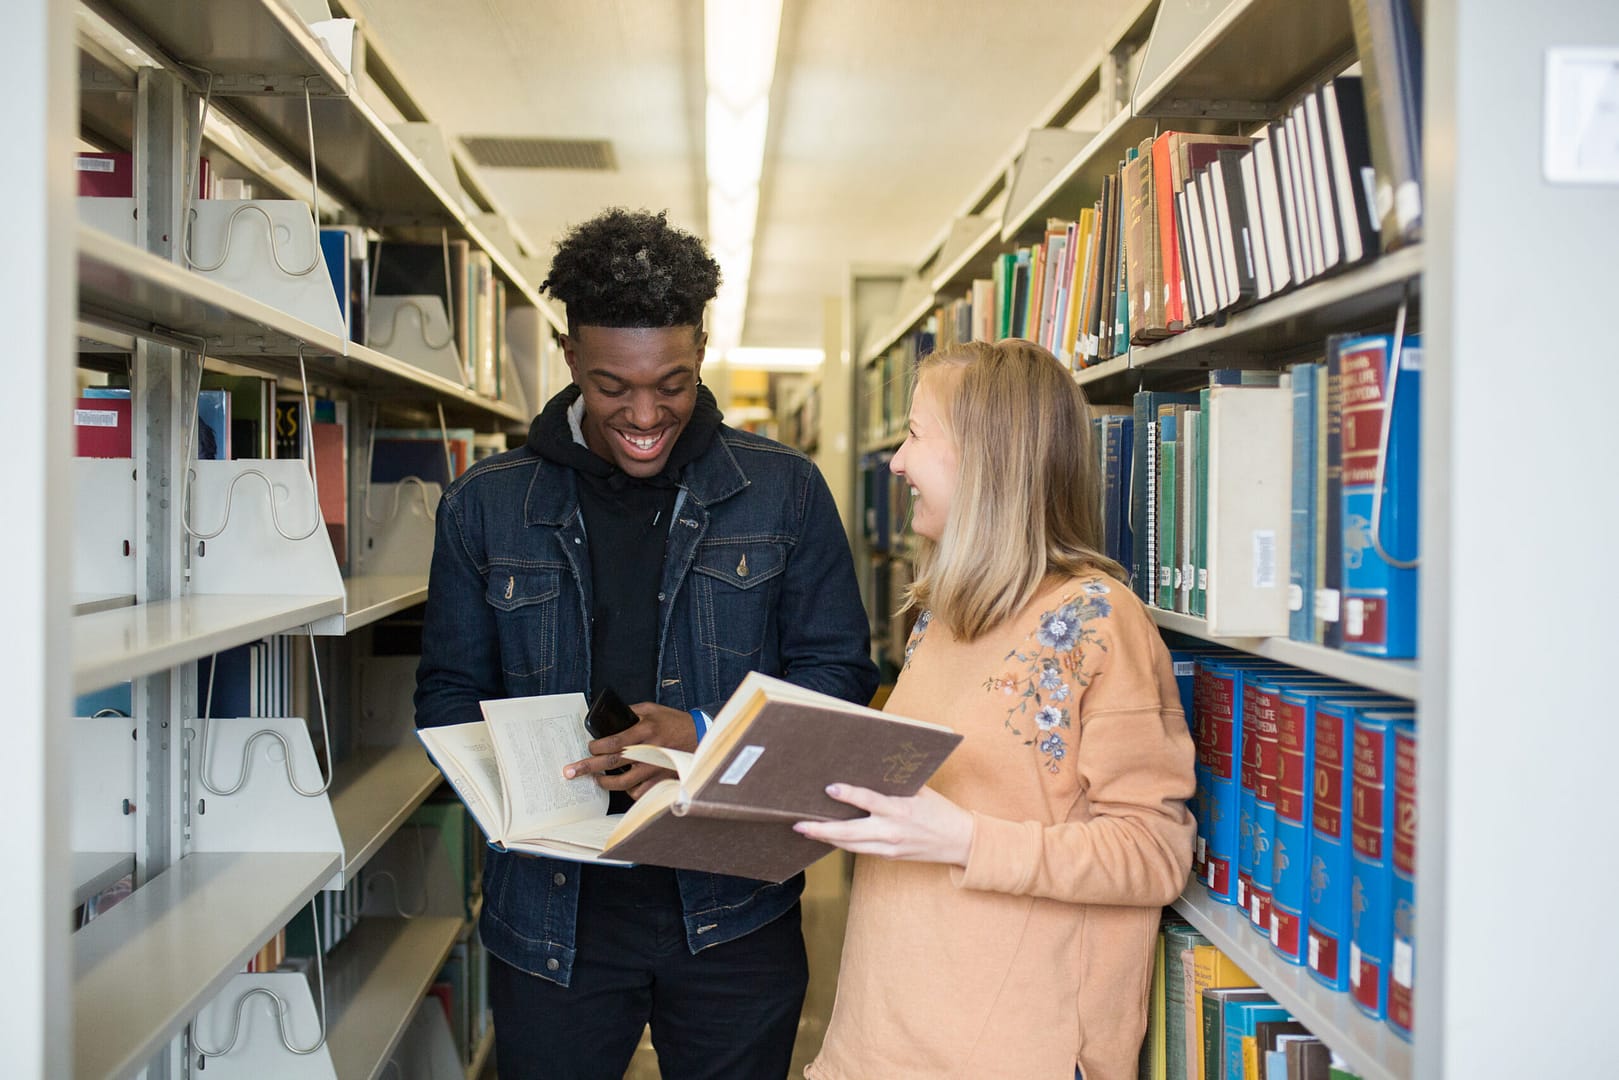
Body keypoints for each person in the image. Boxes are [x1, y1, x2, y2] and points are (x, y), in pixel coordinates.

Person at [414, 207, 878, 1080]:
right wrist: (529, 780)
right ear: (568, 359)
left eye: (669, 382)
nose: (642, 414)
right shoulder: (484, 504)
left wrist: (700, 736)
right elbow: (446, 692)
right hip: (553, 917)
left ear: (701, 348)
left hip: (734, 907)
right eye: (609, 386)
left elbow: (839, 679)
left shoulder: (783, 493)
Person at [800, 339, 1196, 1080]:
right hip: (882, 1035)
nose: (895, 463)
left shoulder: (1096, 622)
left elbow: (1152, 852)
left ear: (983, 459)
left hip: (1011, 1050)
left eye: (914, 436)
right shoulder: (938, 614)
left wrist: (965, 841)